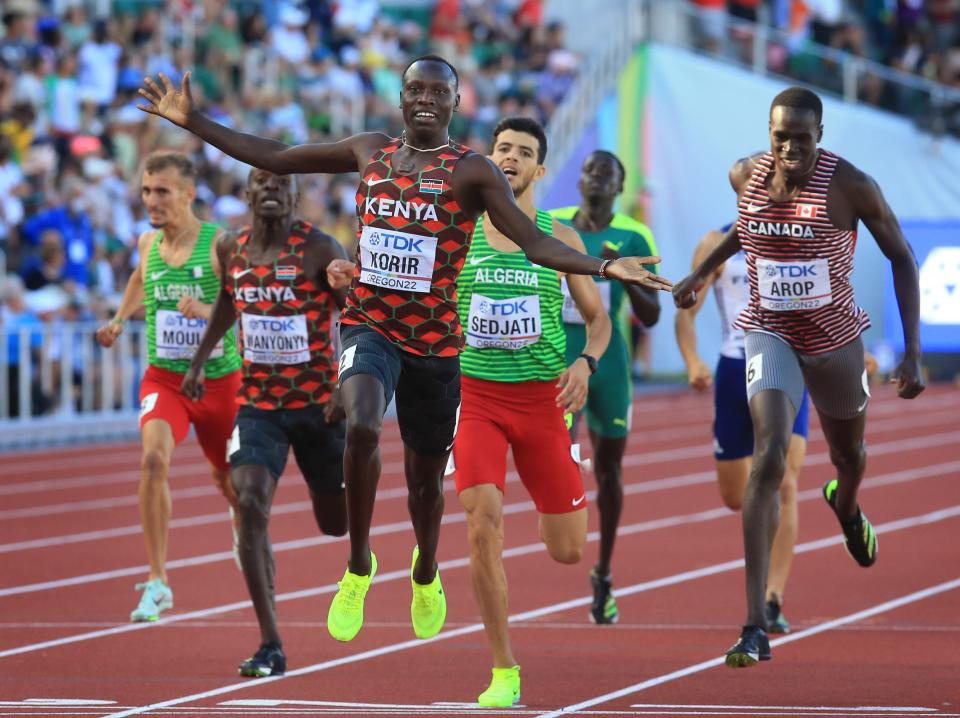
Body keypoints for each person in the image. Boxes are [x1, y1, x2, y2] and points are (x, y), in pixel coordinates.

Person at [137, 54, 672, 644]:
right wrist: (195, 123)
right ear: (400, 97)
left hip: (436, 345)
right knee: (363, 422)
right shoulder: (371, 150)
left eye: (437, 92)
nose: (424, 99)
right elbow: (275, 155)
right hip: (370, 325)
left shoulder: (473, 172)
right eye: (414, 88)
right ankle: (360, 565)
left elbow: (535, 242)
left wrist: (603, 264)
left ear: (454, 103)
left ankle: (424, 567)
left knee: (425, 482)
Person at [673, 87, 925, 667]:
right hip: (770, 332)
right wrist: (701, 273)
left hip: (836, 339)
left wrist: (911, 352)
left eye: (802, 139)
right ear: (768, 132)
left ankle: (847, 504)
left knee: (850, 457)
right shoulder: (745, 175)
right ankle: (754, 624)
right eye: (779, 136)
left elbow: (903, 256)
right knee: (769, 460)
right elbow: (748, 230)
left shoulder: (850, 185)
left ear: (821, 136)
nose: (789, 148)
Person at [452, 117, 611, 707]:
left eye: (524, 152)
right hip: (477, 402)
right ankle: (503, 668)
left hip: (544, 404)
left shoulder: (559, 238)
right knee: (481, 524)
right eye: (502, 150)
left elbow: (598, 322)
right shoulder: (458, 233)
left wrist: (586, 364)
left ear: (540, 169)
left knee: (567, 550)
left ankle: (557, 486)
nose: (511, 159)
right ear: (488, 163)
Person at [181, 168, 349, 677]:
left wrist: (347, 381)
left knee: (334, 523)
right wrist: (198, 360)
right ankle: (270, 643)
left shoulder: (319, 247)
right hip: (258, 407)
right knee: (249, 500)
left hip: (320, 407)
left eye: (282, 182)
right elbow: (227, 306)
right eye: (262, 182)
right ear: (249, 194)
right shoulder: (233, 248)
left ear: (295, 195)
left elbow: (357, 314)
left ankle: (356, 548)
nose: (272, 188)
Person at [95, 150, 243, 623]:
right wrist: (120, 319)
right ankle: (158, 580)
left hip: (219, 383)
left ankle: (243, 526)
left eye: (161, 191)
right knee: (153, 461)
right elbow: (141, 278)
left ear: (188, 193)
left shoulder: (219, 244)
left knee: (229, 481)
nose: (151, 200)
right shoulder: (145, 243)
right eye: (145, 190)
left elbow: (244, 303)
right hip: (166, 379)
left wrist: (209, 315)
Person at [675, 223, 809, 634]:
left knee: (785, 483)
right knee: (737, 496)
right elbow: (687, 312)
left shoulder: (800, 237)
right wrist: (692, 360)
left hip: (787, 366)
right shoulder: (715, 244)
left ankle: (772, 598)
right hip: (735, 368)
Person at [549, 150, 662, 625]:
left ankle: (605, 572)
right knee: (561, 457)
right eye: (591, 170)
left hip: (609, 361)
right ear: (579, 180)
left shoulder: (634, 235)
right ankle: (565, 535)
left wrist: (622, 270)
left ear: (619, 187)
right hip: (558, 356)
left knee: (610, 472)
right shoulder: (550, 224)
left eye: (608, 173)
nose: (597, 177)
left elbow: (652, 317)